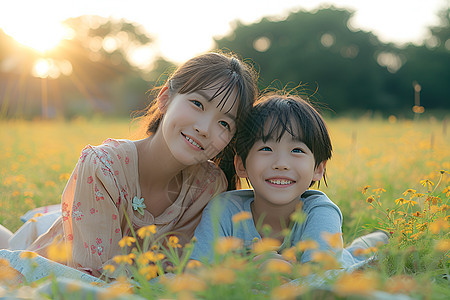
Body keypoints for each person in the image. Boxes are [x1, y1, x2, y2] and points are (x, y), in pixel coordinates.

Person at [0, 52, 258, 280]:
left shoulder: (208, 186)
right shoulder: (103, 166)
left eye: (224, 124)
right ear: (165, 98)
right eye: (198, 104)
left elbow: (182, 269)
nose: (204, 129)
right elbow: (96, 275)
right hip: (58, 276)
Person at [189, 93, 389, 267]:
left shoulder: (320, 211)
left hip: (340, 263)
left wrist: (277, 271)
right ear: (241, 164)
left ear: (318, 169)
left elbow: (322, 275)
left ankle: (373, 242)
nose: (281, 164)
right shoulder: (223, 210)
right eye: (266, 149)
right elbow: (197, 271)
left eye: (297, 150)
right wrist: (249, 271)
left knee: (355, 256)